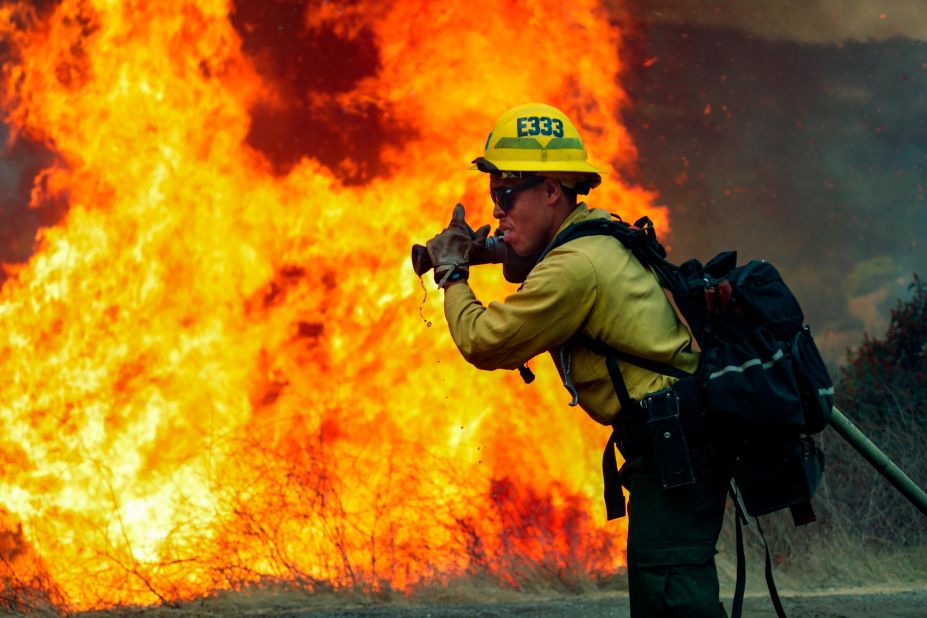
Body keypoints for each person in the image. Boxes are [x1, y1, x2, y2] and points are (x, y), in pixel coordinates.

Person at [424, 102, 732, 617]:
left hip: (673, 446)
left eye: (506, 194)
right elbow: (534, 259)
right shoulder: (592, 233)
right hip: (670, 443)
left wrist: (454, 273)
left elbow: (486, 341)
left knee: (676, 603)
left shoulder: (575, 267)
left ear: (551, 191)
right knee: (663, 596)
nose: (496, 209)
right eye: (492, 195)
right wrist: (490, 250)